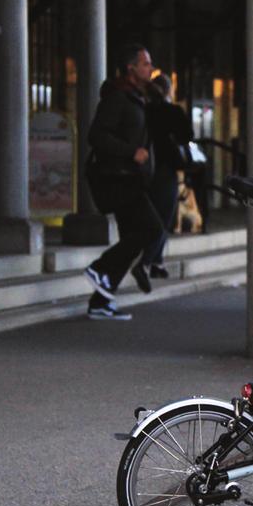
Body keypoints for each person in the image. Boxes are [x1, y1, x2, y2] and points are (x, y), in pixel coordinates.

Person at [83, 44, 162, 319]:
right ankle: (100, 268)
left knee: (133, 237)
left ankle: (100, 302)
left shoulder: (137, 97)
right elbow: (97, 136)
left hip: (131, 178)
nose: (150, 69)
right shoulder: (117, 97)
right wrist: (132, 152)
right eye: (145, 64)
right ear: (131, 68)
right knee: (151, 229)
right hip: (118, 178)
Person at [129, 73, 193, 292]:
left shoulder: (144, 111)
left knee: (152, 215)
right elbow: (187, 135)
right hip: (165, 169)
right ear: (169, 91)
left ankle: (156, 262)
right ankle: (146, 261)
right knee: (164, 217)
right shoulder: (172, 112)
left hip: (142, 168)